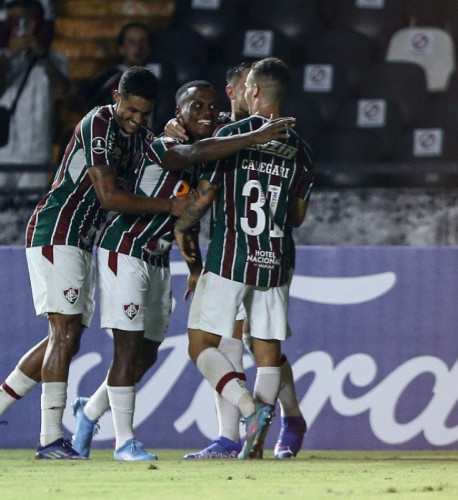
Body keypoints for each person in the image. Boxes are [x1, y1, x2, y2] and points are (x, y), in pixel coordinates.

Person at [0, 67, 188, 460]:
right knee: (64, 334)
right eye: (131, 110)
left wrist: (170, 127)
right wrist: (170, 206)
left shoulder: (137, 136)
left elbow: (159, 149)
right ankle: (50, 439)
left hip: (82, 242)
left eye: (144, 114)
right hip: (57, 231)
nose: (136, 120)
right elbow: (107, 196)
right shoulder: (99, 122)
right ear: (117, 96)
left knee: (65, 337)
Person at [69, 81, 296, 461]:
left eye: (211, 106)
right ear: (178, 113)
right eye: (197, 106)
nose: (207, 112)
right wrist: (254, 135)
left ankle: (88, 413)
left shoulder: (208, 149)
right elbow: (191, 154)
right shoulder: (165, 145)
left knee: (145, 356)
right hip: (124, 250)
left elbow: (185, 222)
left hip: (158, 259)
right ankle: (123, 441)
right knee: (127, 349)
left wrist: (194, 267)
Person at [174, 58, 314, 459]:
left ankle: (250, 411)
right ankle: (253, 446)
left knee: (201, 344)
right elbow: (297, 216)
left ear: (253, 91)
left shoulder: (232, 136)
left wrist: (183, 224)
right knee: (266, 351)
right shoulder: (302, 150)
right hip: (275, 258)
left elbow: (203, 197)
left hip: (229, 258)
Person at [0, 0, 71, 189]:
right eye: (10, 20)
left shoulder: (54, 58)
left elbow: (63, 89)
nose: (12, 25)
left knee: (30, 210)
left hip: (35, 151)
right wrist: (10, 55)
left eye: (19, 20)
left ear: (34, 23)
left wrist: (42, 55)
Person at [81, 22, 151, 109]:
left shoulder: (161, 76)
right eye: (132, 42)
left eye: (143, 41)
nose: (138, 47)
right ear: (121, 48)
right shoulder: (108, 78)